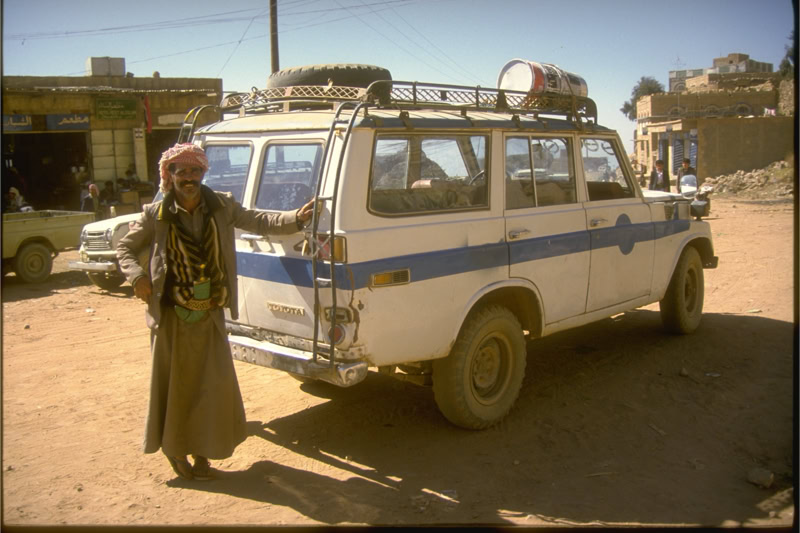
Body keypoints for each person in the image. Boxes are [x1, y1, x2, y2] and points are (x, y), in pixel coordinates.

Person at [116, 143, 314, 482]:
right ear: (170, 176)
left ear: (203, 174)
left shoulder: (221, 205)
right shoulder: (156, 214)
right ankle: (175, 449)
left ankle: (203, 453)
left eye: (195, 171)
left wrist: (296, 218)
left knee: (210, 387)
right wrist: (137, 277)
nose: (189, 178)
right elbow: (125, 248)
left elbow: (258, 219)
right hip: (172, 316)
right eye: (182, 172)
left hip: (209, 312)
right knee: (177, 388)